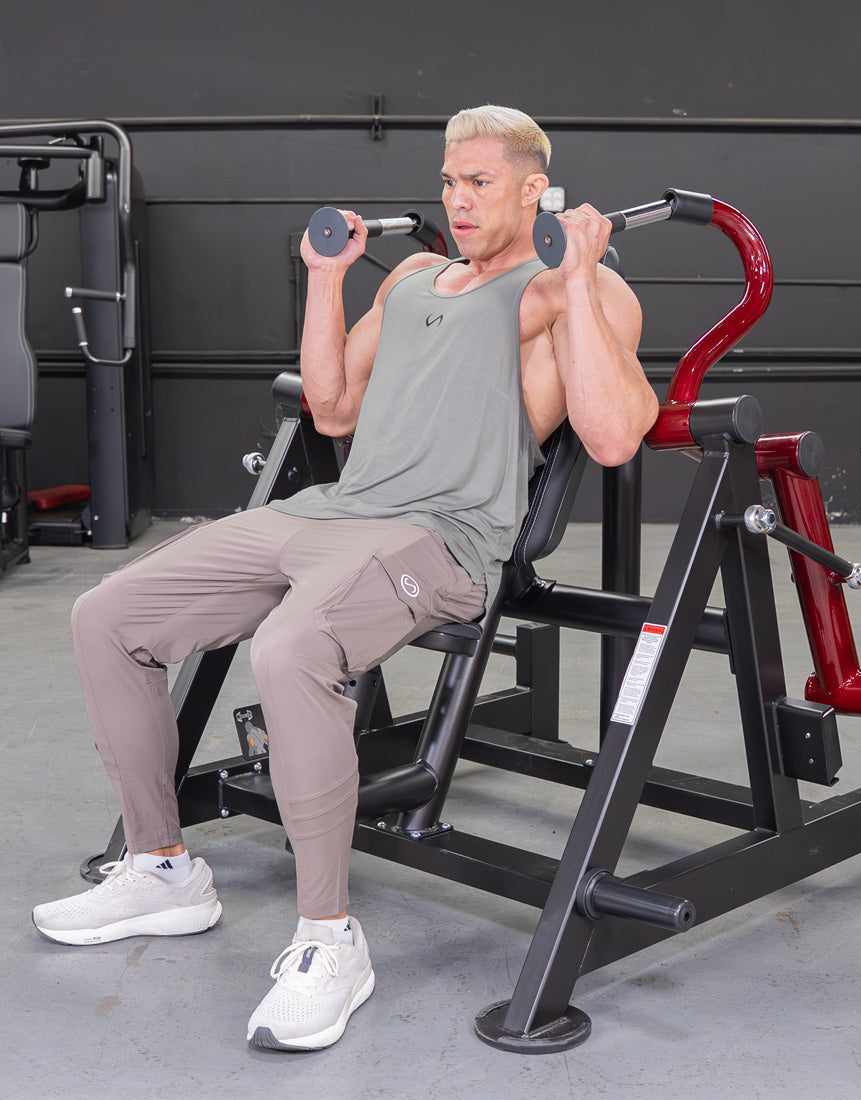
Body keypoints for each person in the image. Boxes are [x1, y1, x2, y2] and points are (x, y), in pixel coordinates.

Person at [31, 105, 658, 1051]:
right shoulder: (411, 277)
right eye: (448, 181)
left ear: (535, 189)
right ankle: (163, 870)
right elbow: (330, 410)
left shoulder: (574, 289)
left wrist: (576, 273)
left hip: (439, 537)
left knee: (291, 650)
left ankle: (330, 939)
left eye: (479, 182)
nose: (457, 199)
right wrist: (326, 279)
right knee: (106, 614)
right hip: (331, 513)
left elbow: (611, 436)